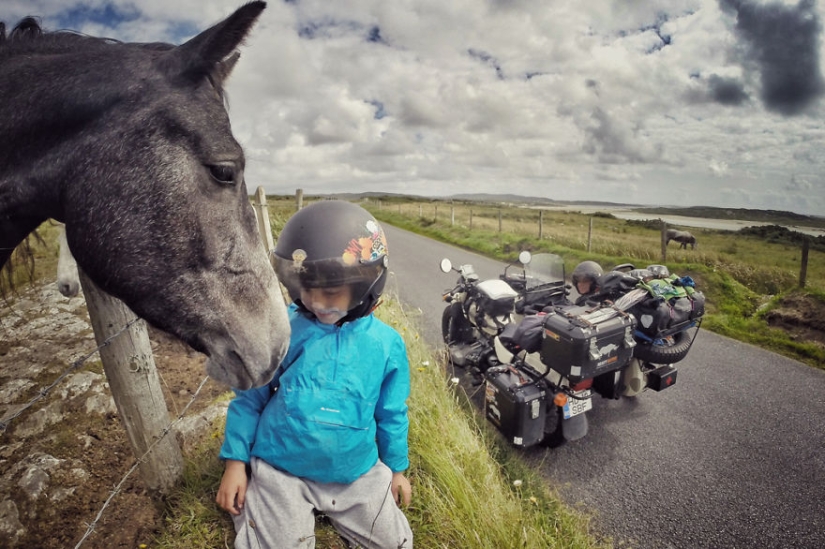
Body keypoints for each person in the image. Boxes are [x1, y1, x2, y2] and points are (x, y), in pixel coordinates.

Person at [216, 200, 413, 549]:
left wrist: (396, 470)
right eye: (308, 291)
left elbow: (392, 413)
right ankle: (262, 509)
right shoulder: (283, 331)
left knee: (395, 544)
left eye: (332, 293)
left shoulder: (386, 346)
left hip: (356, 472)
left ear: (366, 286)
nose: (318, 303)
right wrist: (236, 463)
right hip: (283, 467)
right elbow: (250, 399)